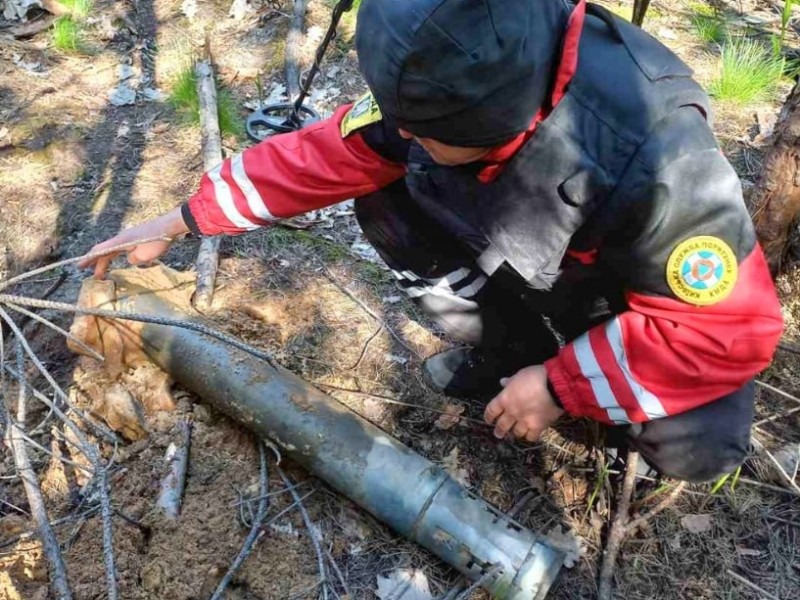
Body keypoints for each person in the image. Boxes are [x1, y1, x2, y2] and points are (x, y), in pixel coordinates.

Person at [80, 0, 784, 482]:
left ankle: (570, 393)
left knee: (701, 445)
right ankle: (508, 352)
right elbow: (330, 152)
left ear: (500, 124)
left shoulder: (657, 158)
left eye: (426, 130)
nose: (404, 134)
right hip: (522, 253)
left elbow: (728, 331)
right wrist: (183, 218)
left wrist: (563, 387)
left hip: (621, 303)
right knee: (382, 194)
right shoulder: (450, 68)